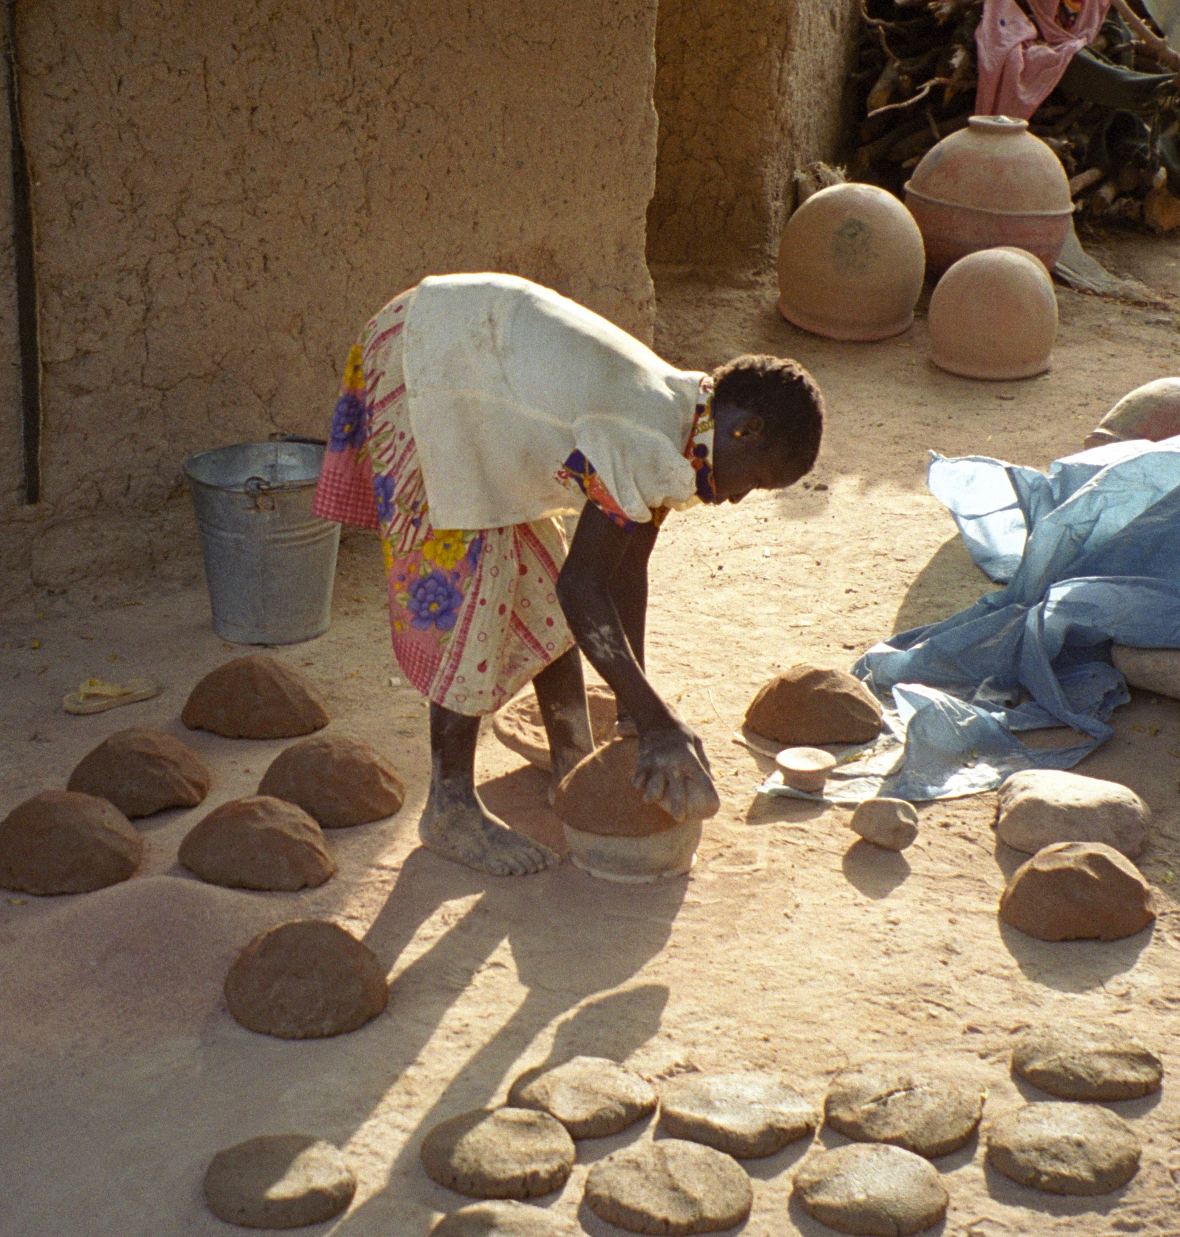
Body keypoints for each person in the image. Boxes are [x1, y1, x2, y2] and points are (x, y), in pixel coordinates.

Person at [313, 272, 825, 875]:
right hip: (433, 363)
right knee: (476, 591)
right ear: (745, 430)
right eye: (756, 480)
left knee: (534, 573)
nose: (739, 499)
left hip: (473, 362)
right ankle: (449, 805)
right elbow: (583, 590)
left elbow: (624, 574)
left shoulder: (690, 425)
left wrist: (637, 714)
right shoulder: (647, 433)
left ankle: (574, 759)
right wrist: (659, 720)